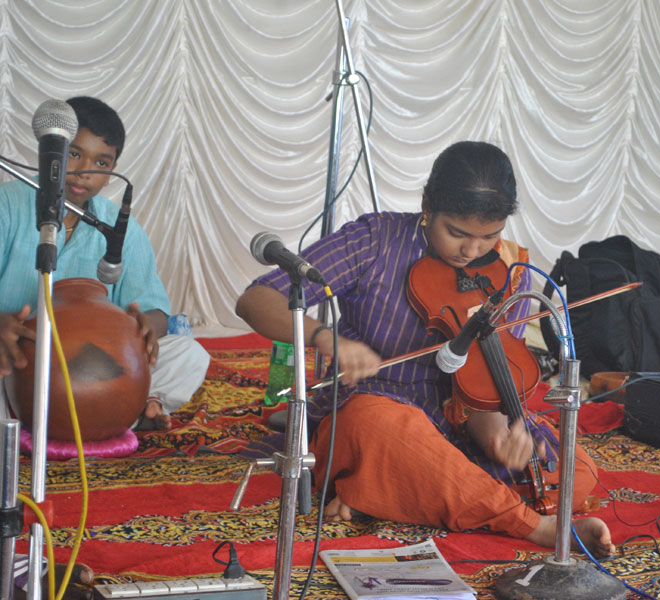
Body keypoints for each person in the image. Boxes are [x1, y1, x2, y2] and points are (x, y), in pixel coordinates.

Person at [235, 141, 615, 555]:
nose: (472, 251)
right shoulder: (375, 239)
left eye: (490, 236)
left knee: (576, 471)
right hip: (375, 410)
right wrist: (326, 338)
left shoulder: (509, 272)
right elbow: (257, 300)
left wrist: (495, 438)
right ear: (427, 206)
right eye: (457, 233)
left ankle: (386, 491)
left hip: (459, 420)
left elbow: (483, 393)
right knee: (375, 428)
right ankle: (533, 526)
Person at [0, 96, 209, 431]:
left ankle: (128, 405)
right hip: (17, 356)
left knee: (188, 354)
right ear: (51, 151)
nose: (84, 171)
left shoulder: (120, 227)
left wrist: (144, 326)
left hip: (92, 363)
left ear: (112, 172)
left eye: (101, 162)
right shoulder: (7, 204)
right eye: (74, 154)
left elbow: (155, 311)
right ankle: (117, 414)